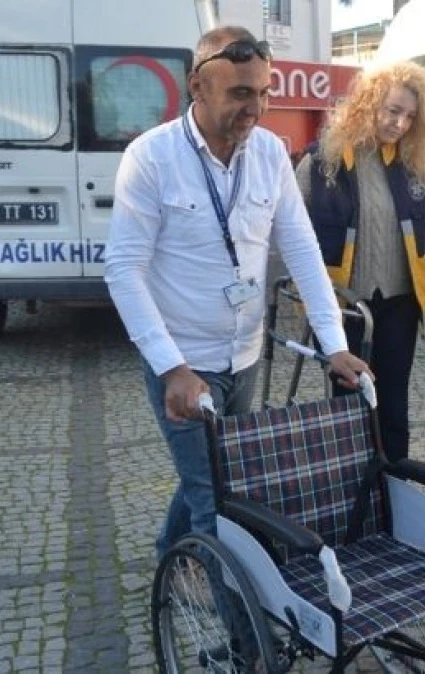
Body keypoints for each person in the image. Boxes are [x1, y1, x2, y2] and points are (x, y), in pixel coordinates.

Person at [104, 26, 371, 566]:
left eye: (264, 93)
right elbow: (123, 270)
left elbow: (302, 251)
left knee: (214, 473)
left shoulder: (270, 153)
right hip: (184, 363)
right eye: (241, 93)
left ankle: (168, 557)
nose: (257, 108)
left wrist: (334, 343)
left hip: (244, 356)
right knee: (219, 502)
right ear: (197, 86)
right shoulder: (151, 157)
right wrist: (171, 368)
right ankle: (233, 619)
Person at [295, 61, 425, 463]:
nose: (401, 123)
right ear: (367, 105)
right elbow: (293, 239)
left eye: (410, 116)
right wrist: (307, 304)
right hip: (344, 306)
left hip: (399, 304)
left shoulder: (410, 166)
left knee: (394, 406)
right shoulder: (322, 163)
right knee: (348, 407)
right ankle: (352, 490)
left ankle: (394, 487)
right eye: (393, 111)